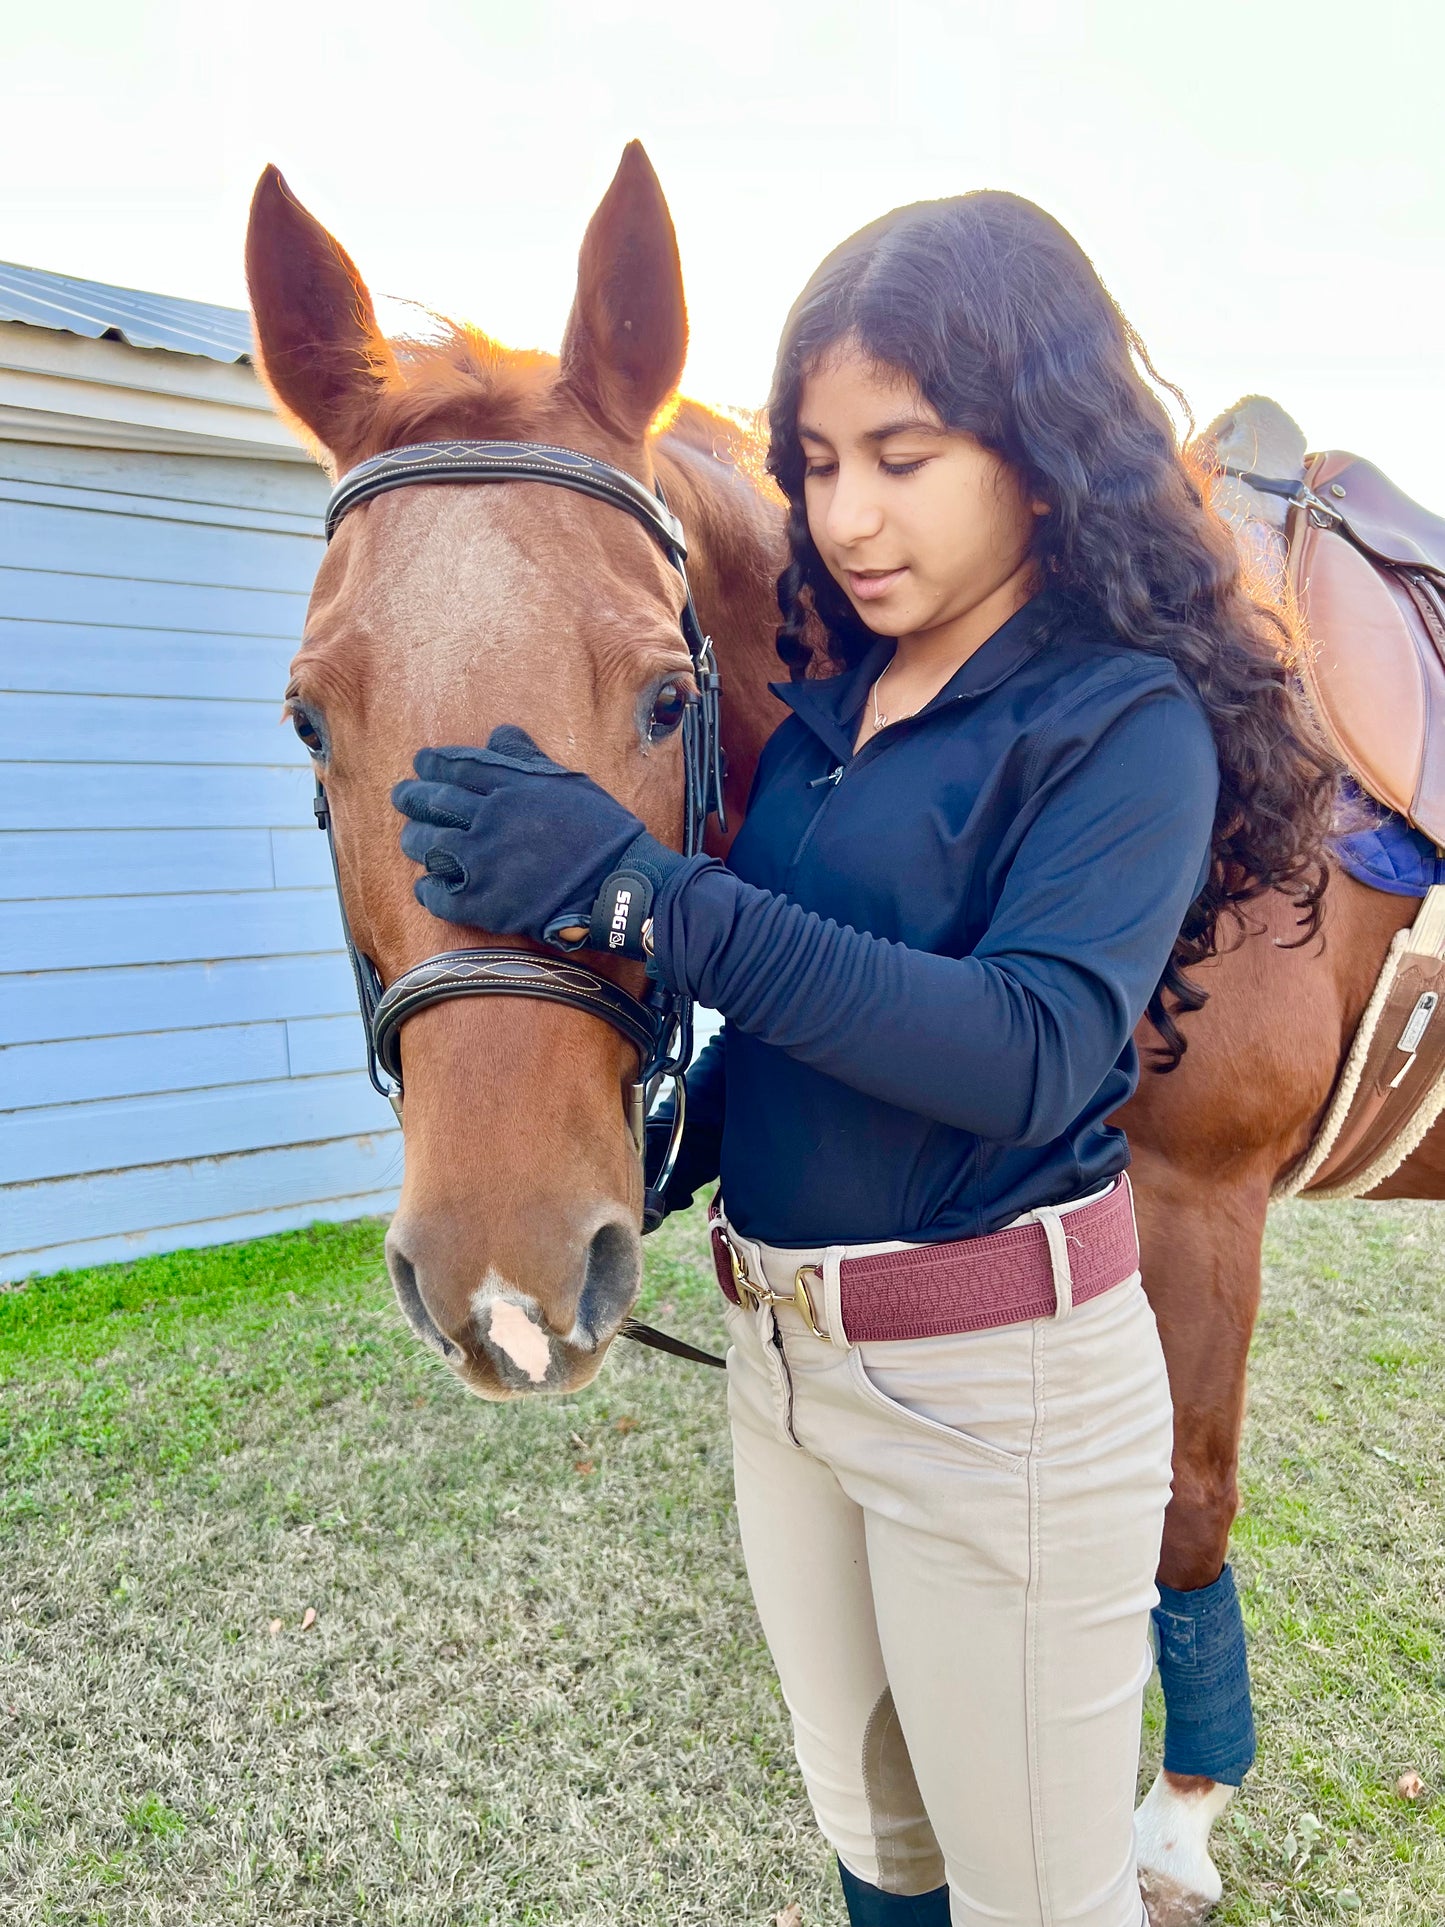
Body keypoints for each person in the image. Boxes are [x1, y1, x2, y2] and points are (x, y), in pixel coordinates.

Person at [392, 192, 1333, 1926]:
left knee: (1034, 1897)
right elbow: (814, 1021)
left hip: (1006, 1396)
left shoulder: (1118, 720)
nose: (847, 513)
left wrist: (638, 894)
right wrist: (630, 1144)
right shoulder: (830, 719)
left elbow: (1035, 1050)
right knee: (876, 1854)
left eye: (902, 455)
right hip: (784, 1371)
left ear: (1037, 449)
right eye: (818, 460)